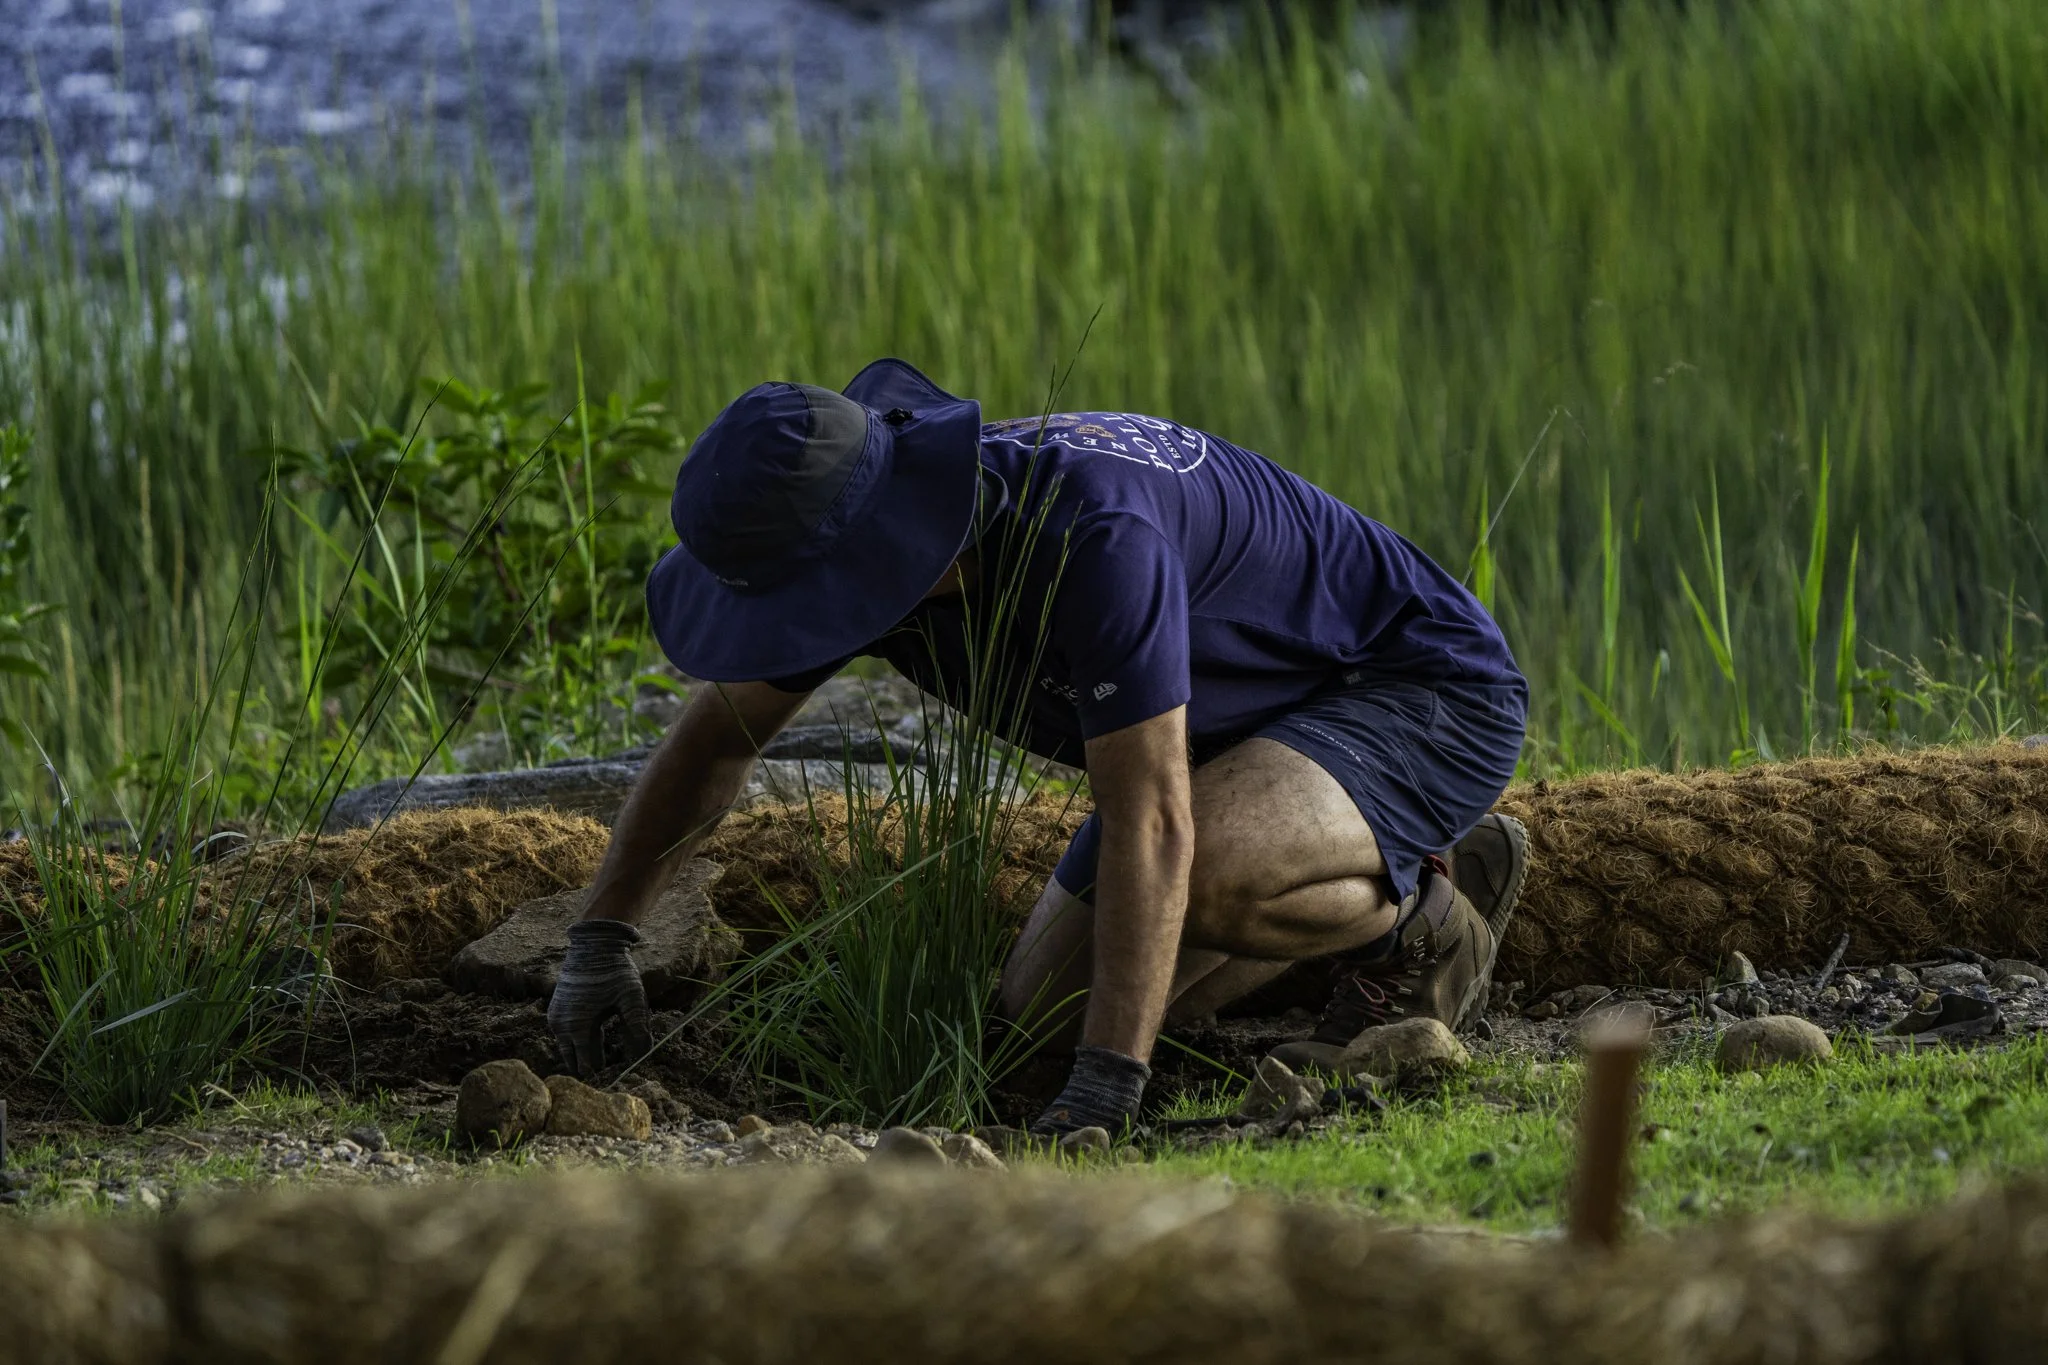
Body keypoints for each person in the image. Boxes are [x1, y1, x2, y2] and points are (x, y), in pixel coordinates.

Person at [545, 359, 1530, 1137]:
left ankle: (1424, 918)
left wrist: (1110, 1087)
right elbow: (715, 741)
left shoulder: (1093, 540)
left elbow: (1150, 821)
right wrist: (600, 942)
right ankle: (1318, 870)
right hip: (1225, 738)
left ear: (862, 559)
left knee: (1211, 877)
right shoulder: (874, 559)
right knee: (1033, 1038)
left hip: (1411, 692)